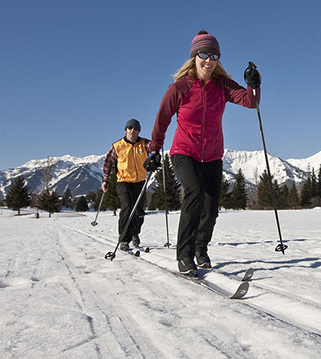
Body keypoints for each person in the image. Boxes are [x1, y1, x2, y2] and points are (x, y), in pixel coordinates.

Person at [145, 30, 261, 275]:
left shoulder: (222, 86)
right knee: (194, 193)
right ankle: (184, 255)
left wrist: (253, 85)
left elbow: (250, 102)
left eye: (214, 55)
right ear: (194, 56)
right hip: (183, 151)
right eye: (204, 54)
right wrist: (154, 149)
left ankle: (201, 249)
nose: (209, 60)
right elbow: (162, 119)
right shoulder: (179, 88)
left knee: (210, 208)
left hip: (212, 154)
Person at [102, 119, 151, 251]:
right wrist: (105, 180)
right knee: (127, 207)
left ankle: (134, 232)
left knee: (139, 211)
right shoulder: (118, 146)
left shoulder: (144, 144)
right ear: (125, 130)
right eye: (130, 128)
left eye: (135, 128)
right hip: (123, 182)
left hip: (140, 181)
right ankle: (124, 238)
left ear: (138, 131)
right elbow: (108, 163)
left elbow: (155, 148)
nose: (132, 131)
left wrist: (157, 150)